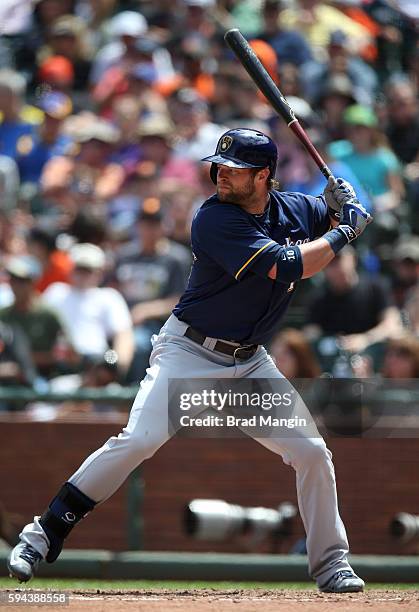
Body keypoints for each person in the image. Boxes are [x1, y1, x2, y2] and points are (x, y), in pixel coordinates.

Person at [7, 127, 371, 593]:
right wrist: (345, 229)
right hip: (189, 354)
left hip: (249, 366)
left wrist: (344, 199)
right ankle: (42, 536)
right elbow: (289, 264)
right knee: (137, 440)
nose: (220, 175)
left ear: (263, 176)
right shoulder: (214, 219)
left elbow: (340, 210)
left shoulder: (296, 209)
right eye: (218, 167)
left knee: (312, 453)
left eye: (235, 170)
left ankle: (332, 564)